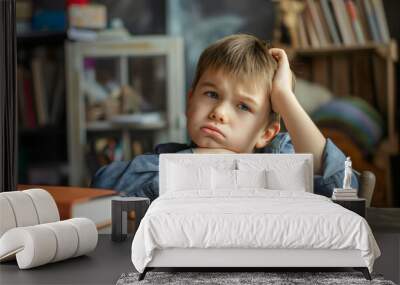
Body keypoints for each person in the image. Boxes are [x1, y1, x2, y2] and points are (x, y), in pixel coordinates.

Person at [91, 34, 358, 201]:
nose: (219, 113)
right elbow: (104, 184)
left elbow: (342, 187)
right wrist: (209, 159)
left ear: (266, 133)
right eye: (211, 94)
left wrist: (284, 96)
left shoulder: (280, 155)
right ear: (190, 101)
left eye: (243, 106)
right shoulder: (170, 160)